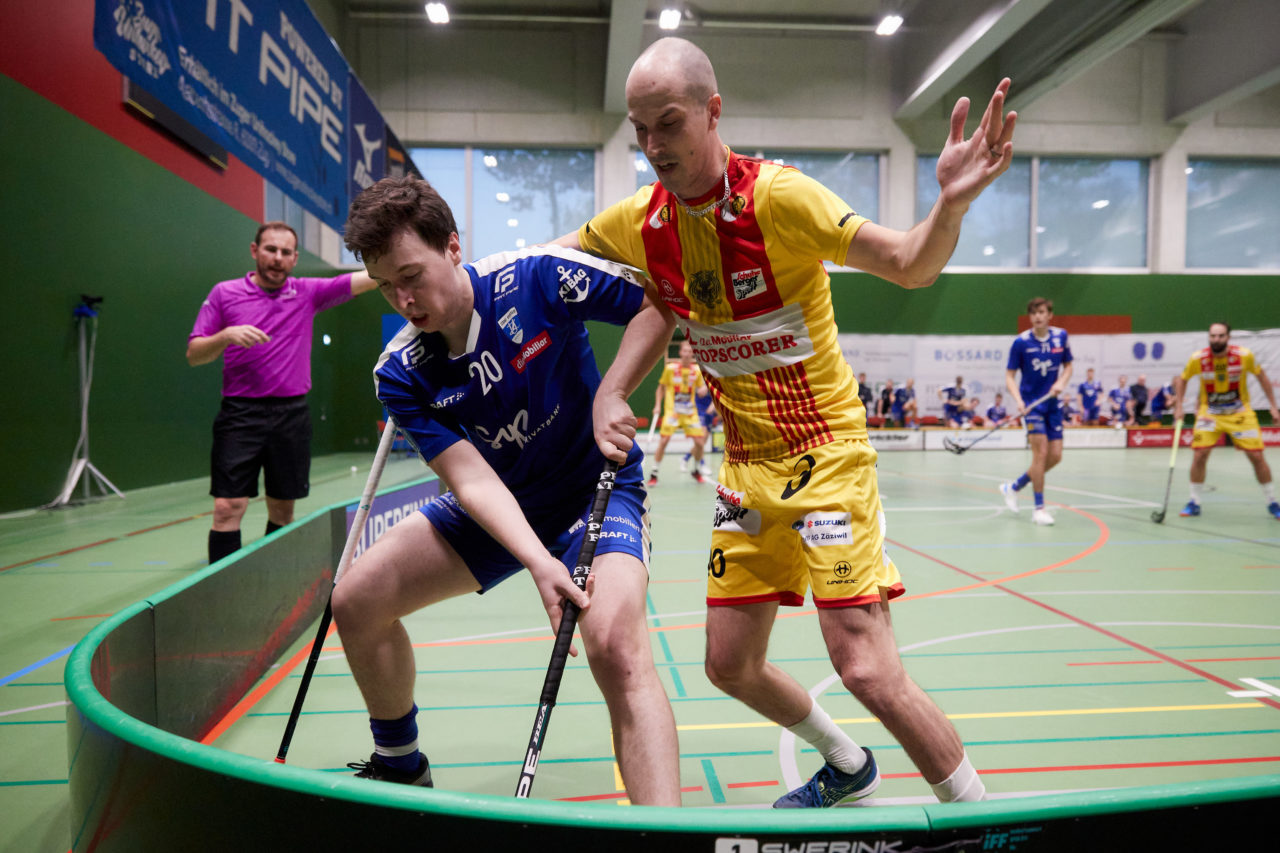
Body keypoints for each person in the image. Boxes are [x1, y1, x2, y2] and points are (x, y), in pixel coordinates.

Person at [558, 36, 1011, 807]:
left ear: (712, 111)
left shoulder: (780, 198)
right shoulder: (643, 222)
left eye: (668, 123)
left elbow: (907, 263)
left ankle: (983, 817)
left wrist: (950, 203)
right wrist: (426, 289)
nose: (652, 146)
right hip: (745, 471)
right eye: (639, 130)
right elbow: (537, 267)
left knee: (866, 665)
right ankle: (846, 765)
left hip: (827, 455)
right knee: (728, 663)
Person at [332, 176, 681, 803]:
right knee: (357, 598)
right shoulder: (400, 371)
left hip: (593, 487)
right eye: (386, 285)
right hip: (503, 501)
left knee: (614, 646)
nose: (404, 298)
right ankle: (400, 763)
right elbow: (469, 477)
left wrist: (614, 391)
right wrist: (538, 560)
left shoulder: (537, 276)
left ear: (453, 247)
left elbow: (658, 304)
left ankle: (666, 834)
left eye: (412, 274)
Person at [187, 222, 378, 565]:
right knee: (228, 507)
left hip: (291, 417)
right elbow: (195, 353)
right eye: (270, 249)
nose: (277, 258)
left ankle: (271, 586)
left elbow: (368, 278)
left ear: (294, 258)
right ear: (254, 251)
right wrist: (225, 335)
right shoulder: (224, 294)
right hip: (239, 415)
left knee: (283, 509)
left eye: (285, 252)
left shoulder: (307, 292)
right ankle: (223, 591)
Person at [1173, 322, 1280, 520]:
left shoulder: (1244, 356)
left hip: (1240, 413)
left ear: (1228, 337)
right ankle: (1194, 502)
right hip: (1210, 413)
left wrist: (1273, 406)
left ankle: (1272, 501)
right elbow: (1182, 379)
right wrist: (1179, 406)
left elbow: (1262, 377)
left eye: (1221, 336)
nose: (1216, 340)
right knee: (1199, 454)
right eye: (1213, 336)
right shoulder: (1198, 358)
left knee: (1257, 456)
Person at [999, 297, 1073, 526]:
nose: (1038, 316)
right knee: (1040, 455)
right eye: (1033, 313)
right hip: (1032, 406)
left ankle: (1014, 486)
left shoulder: (1061, 337)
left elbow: (1069, 366)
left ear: (1050, 314)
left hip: (1052, 405)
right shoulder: (1020, 343)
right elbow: (1010, 376)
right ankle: (1039, 508)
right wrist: (1019, 400)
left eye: (1042, 312)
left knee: (1055, 456)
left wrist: (1061, 382)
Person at [651, 338, 710, 485]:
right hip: (673, 412)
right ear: (680, 352)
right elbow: (661, 387)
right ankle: (654, 473)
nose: (687, 354)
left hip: (690, 413)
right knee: (664, 441)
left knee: (700, 443)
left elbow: (701, 389)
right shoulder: (670, 369)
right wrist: (657, 405)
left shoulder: (696, 371)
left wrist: (704, 389)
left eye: (690, 351)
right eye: (685, 351)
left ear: (692, 354)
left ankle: (696, 470)